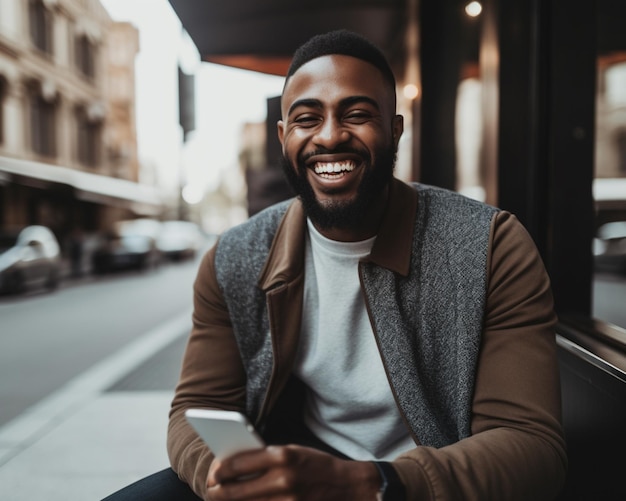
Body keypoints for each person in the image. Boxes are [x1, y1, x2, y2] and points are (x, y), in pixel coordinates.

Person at [104, 29, 567, 501]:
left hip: (419, 484)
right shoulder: (235, 257)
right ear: (284, 137)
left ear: (395, 130)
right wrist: (227, 479)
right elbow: (194, 409)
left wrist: (372, 484)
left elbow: (531, 446)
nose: (329, 136)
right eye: (307, 119)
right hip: (293, 469)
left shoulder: (490, 245)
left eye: (358, 114)